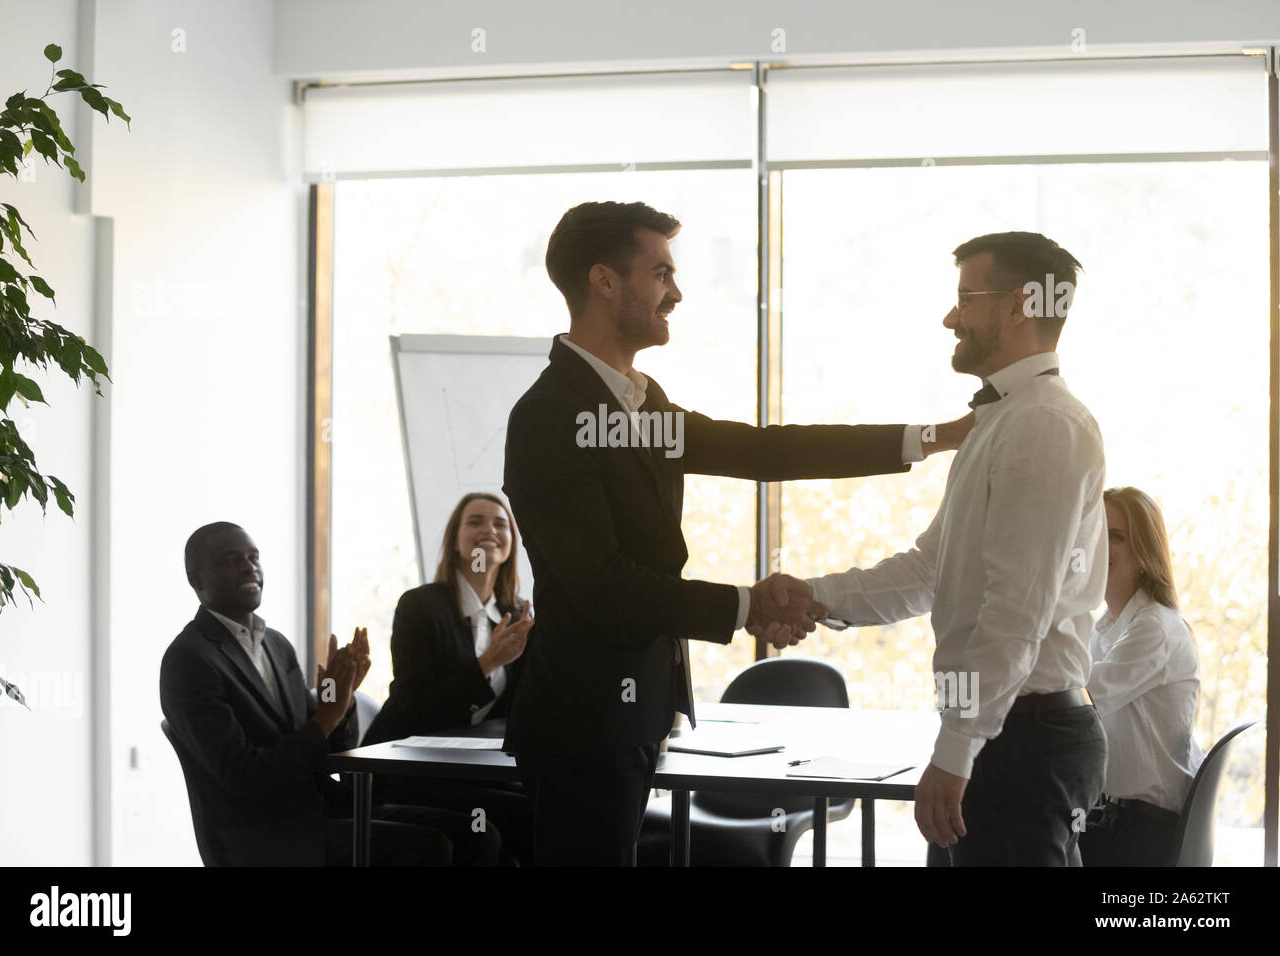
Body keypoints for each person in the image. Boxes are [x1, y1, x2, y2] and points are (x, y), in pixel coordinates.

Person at [502, 200, 972, 866]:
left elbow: (761, 451)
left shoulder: (642, 401)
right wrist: (748, 606)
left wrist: (933, 438)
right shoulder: (550, 414)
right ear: (604, 281)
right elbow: (601, 584)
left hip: (630, 714)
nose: (677, 292)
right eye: (660, 272)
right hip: (582, 720)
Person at [770, 231, 1108, 866]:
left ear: (1018, 307)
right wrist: (816, 596)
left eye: (966, 298)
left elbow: (1016, 612)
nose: (950, 317)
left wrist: (956, 751)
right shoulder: (1002, 421)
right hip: (1003, 733)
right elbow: (931, 571)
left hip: (1022, 738)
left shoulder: (1042, 426)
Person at [160, 521, 501, 866]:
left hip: (326, 807)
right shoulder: (190, 661)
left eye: (254, 556)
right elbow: (244, 775)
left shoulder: (276, 644)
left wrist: (345, 698)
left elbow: (333, 746)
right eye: (231, 559)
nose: (249, 566)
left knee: (476, 832)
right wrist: (325, 718)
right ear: (196, 579)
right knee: (426, 846)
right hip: (268, 834)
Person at [364, 493, 537, 864]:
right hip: (407, 768)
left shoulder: (518, 613)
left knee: (556, 801)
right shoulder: (420, 607)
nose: (488, 530)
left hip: (474, 769)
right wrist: (486, 663)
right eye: (474, 521)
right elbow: (414, 708)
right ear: (455, 541)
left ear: (510, 544)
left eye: (500, 523)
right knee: (529, 815)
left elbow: (526, 707)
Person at [1079, 487, 1205, 866]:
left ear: (1145, 553)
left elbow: (1080, 699)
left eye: (1114, 536)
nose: (1099, 544)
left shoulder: (1154, 628)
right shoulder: (1106, 628)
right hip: (1115, 819)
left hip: (1141, 833)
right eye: (1094, 532)